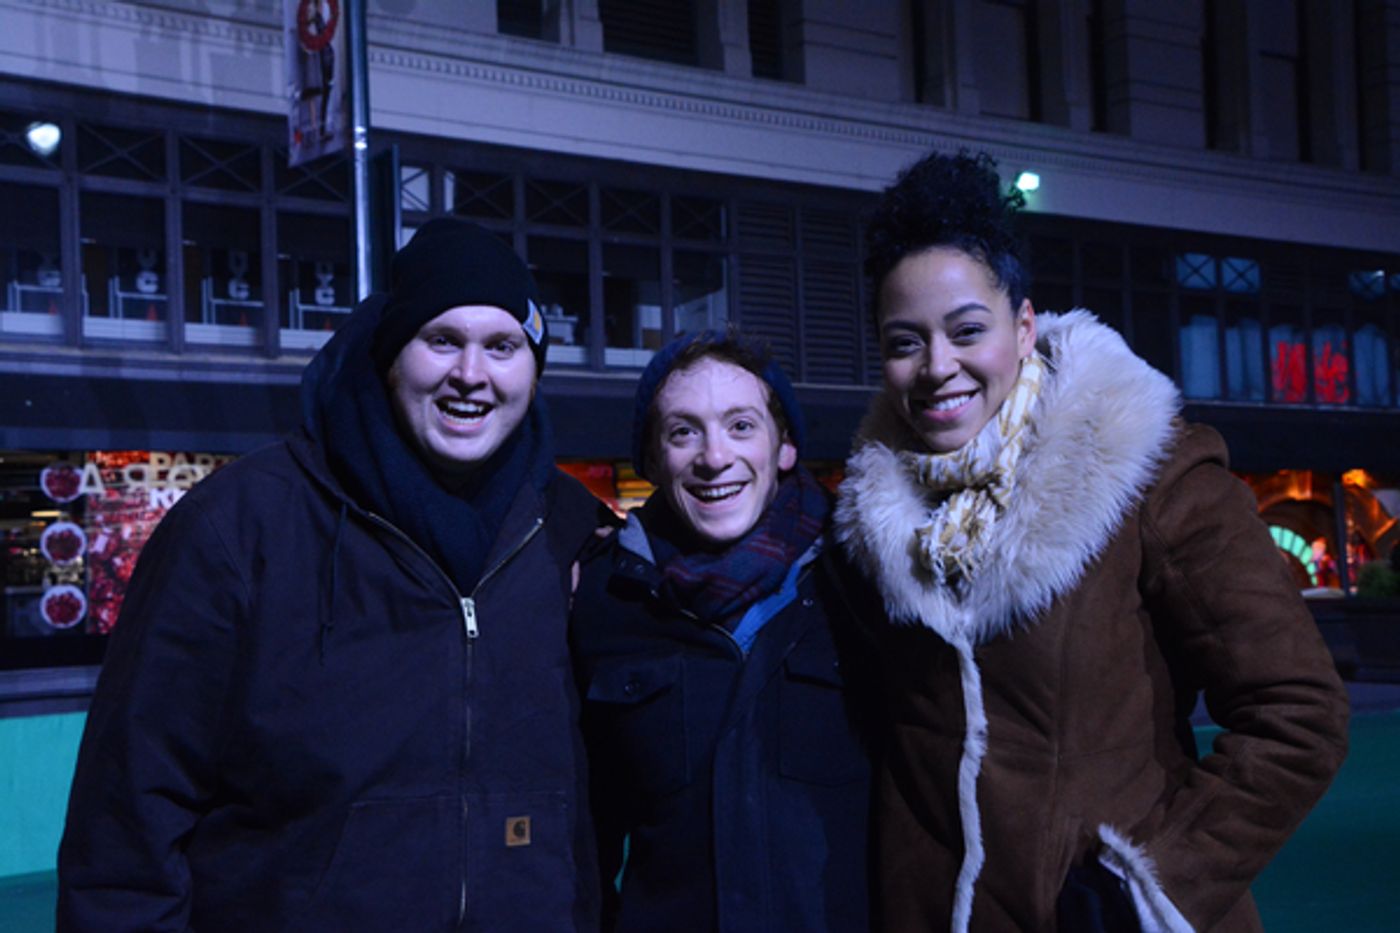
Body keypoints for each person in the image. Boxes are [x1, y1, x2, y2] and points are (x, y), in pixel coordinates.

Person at [832, 151, 1350, 932]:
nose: (939, 367)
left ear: (1024, 324)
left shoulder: (1148, 470)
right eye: (906, 341)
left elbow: (1299, 710)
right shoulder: (871, 522)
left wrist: (1147, 888)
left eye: (967, 330)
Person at [58, 219, 606, 932]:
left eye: (502, 346)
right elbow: (127, 824)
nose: (471, 374)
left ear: (533, 370)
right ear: (388, 352)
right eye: (441, 339)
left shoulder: (566, 528)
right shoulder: (240, 527)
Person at [571, 330, 873, 932]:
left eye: (741, 426)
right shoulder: (604, 600)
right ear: (653, 458)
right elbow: (587, 830)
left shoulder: (862, 581)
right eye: (684, 432)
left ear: (783, 446)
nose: (714, 457)